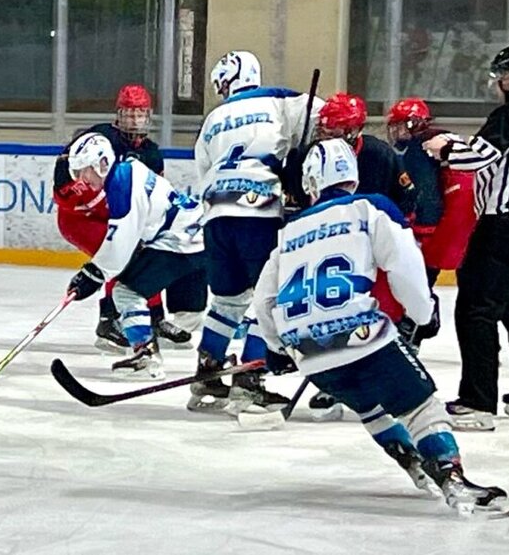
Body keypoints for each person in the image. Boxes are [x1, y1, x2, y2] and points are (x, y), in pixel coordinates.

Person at [251, 138, 509, 519]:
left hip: (307, 353)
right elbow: (405, 264)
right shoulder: (371, 207)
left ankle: (411, 460)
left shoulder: (289, 231)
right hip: (362, 338)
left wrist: (277, 349)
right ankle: (451, 478)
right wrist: (422, 313)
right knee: (421, 406)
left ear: (310, 182)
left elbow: (264, 301)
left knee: (370, 406)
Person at [423, 45, 509, 430]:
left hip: (502, 223)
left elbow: (477, 158)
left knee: (476, 307)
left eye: (499, 75)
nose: (495, 82)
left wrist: (443, 148)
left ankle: (478, 403)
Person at [188, 50, 318, 414]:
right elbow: (325, 122)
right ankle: (250, 378)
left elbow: (202, 170)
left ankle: (208, 369)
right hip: (258, 212)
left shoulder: (213, 118)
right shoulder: (280, 100)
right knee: (269, 296)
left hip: (216, 214)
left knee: (228, 301)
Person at [53, 84, 199, 351]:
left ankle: (154, 319)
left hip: (119, 217)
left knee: (145, 253)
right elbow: (65, 170)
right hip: (81, 220)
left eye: (140, 114)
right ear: (119, 114)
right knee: (121, 253)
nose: (134, 120)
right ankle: (109, 321)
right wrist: (81, 198)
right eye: (129, 114)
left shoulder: (151, 153)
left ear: (148, 116)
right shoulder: (100, 137)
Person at [307, 92, 418, 418]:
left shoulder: (379, 154)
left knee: (382, 312)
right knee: (333, 310)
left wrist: (391, 234)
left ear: (352, 130)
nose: (324, 135)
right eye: (323, 129)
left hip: (374, 244)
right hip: (332, 245)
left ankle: (387, 379)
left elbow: (407, 198)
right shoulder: (313, 155)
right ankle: (338, 383)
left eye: (331, 130)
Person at [64, 132, 206, 379]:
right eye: (77, 173)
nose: (82, 180)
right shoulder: (126, 173)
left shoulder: (121, 184)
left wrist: (93, 274)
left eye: (84, 171)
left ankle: (146, 356)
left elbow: (120, 242)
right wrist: (95, 271)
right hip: (192, 234)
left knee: (126, 291)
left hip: (183, 241)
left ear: (102, 163)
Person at [387, 97, 477, 343]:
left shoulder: (420, 146)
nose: (395, 133)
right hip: (468, 222)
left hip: (434, 227)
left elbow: (424, 192)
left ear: (413, 123)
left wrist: (413, 223)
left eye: (399, 126)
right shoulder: (446, 138)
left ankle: (416, 328)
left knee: (416, 281)